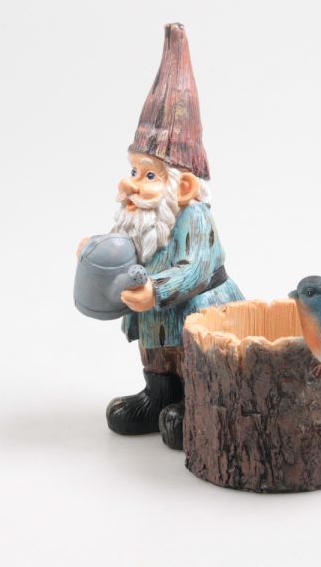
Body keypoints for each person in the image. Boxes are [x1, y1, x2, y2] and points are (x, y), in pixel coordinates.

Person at [77, 24, 243, 449]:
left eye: (148, 175)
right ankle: (159, 396)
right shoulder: (143, 216)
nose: (131, 183)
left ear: (183, 186)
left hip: (199, 305)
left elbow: (195, 270)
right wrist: (94, 249)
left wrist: (156, 289)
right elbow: (126, 246)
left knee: (193, 339)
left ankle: (198, 403)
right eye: (134, 170)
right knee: (154, 340)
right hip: (154, 309)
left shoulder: (195, 217)